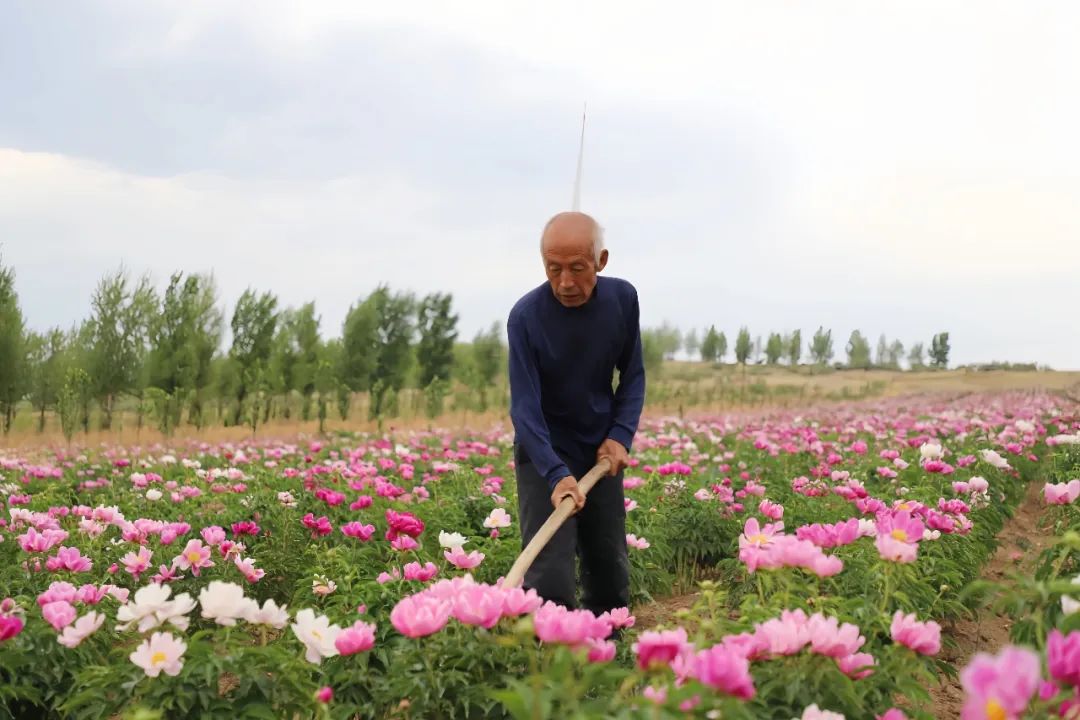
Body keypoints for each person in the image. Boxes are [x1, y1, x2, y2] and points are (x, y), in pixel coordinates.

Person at [506, 210, 646, 618]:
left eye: (577, 268)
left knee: (608, 568)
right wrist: (555, 473)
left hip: (599, 450)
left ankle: (608, 659)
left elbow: (633, 375)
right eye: (554, 269)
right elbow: (525, 408)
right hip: (543, 453)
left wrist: (620, 434)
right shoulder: (526, 317)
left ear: (600, 262)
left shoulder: (622, 300)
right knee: (549, 579)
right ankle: (555, 666)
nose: (565, 282)